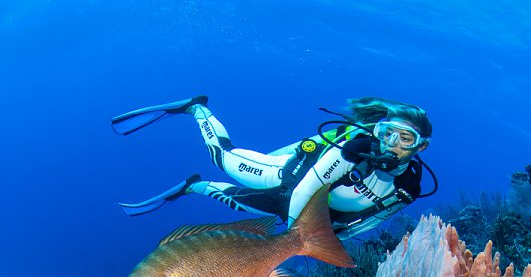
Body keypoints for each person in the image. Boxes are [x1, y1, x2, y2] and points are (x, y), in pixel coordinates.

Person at [111, 95, 436, 240]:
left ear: (420, 146)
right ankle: (196, 108)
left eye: (404, 138)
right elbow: (309, 185)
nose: (390, 143)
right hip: (285, 176)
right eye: (385, 132)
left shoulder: (408, 187)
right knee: (223, 158)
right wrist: (297, 238)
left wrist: (339, 237)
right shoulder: (355, 147)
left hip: (308, 212)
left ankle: (191, 186)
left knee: (238, 201)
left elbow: (374, 217)